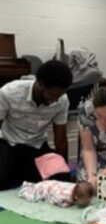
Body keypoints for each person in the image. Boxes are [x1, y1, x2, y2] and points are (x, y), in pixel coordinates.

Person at [0, 60, 73, 190]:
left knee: (61, 180)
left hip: (36, 146)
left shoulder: (62, 100)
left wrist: (62, 167)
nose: (56, 100)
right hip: (9, 143)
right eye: (52, 95)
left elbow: (60, 141)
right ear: (40, 84)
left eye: (60, 95)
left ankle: (21, 172)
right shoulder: (9, 93)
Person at [19, 180, 94, 207]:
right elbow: (54, 199)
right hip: (45, 188)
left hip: (53, 183)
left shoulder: (76, 187)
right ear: (77, 198)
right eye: (86, 201)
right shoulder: (64, 196)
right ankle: (26, 188)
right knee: (32, 196)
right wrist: (65, 204)